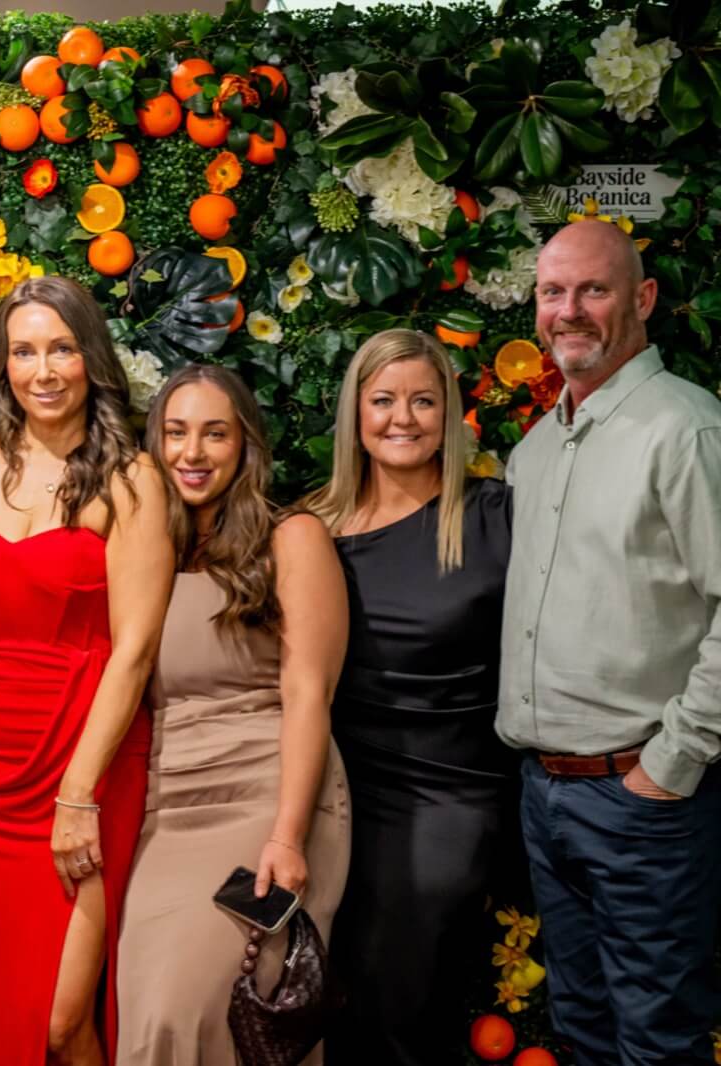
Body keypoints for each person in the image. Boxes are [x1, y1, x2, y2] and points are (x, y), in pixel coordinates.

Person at [0, 275, 171, 1065]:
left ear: (91, 357)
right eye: (24, 351)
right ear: (3, 365)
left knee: (62, 1019)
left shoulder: (132, 481)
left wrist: (78, 794)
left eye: (61, 348)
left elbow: (135, 650)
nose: (44, 370)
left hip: (80, 761)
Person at [498, 220, 721, 1065]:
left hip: (644, 802)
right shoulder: (535, 451)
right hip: (546, 795)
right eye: (553, 292)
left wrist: (671, 762)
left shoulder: (685, 430)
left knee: (657, 1041)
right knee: (582, 1029)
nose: (569, 311)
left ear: (644, 299)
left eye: (593, 289)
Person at [115, 364, 350, 1066]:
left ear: (245, 445)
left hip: (267, 800)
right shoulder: (144, 546)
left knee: (194, 1013)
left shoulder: (291, 538)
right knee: (146, 1015)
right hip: (164, 810)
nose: (192, 453)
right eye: (175, 433)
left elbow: (309, 693)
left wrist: (288, 835)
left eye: (214, 434)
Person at [299, 330, 515, 1066]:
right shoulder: (310, 527)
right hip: (331, 795)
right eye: (384, 400)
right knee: (323, 1008)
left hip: (447, 801)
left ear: (449, 414)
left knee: (403, 1011)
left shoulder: (495, 517)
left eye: (424, 401)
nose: (402, 418)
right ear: (355, 412)